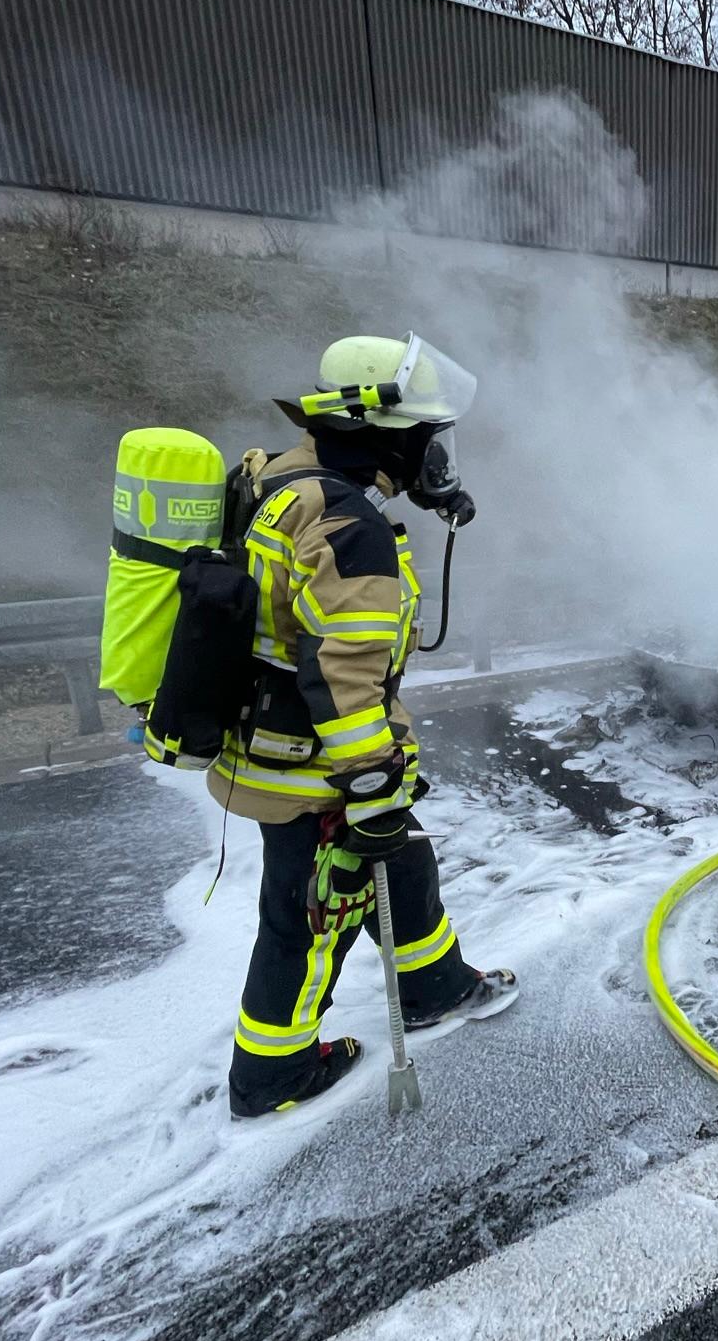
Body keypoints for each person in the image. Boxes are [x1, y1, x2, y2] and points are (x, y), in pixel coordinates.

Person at [214, 333, 516, 1119]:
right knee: (316, 912)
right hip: (316, 768)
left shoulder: (287, 479)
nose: (436, 453)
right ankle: (272, 1076)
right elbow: (346, 678)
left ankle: (434, 987)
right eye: (427, 437)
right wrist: (373, 790)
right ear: (388, 435)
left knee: (404, 867)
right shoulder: (351, 528)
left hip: (279, 740)